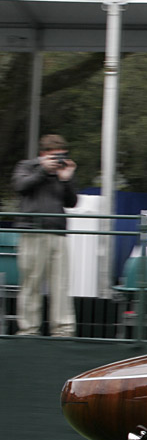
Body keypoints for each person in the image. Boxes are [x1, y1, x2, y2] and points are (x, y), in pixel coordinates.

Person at [11, 134, 78, 336]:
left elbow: (72, 202)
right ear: (43, 154)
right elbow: (20, 187)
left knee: (60, 283)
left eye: (62, 155)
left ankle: (63, 329)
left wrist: (66, 180)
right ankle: (29, 329)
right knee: (31, 282)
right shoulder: (26, 166)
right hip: (32, 231)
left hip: (58, 232)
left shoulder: (62, 172)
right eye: (54, 156)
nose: (59, 160)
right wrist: (42, 170)